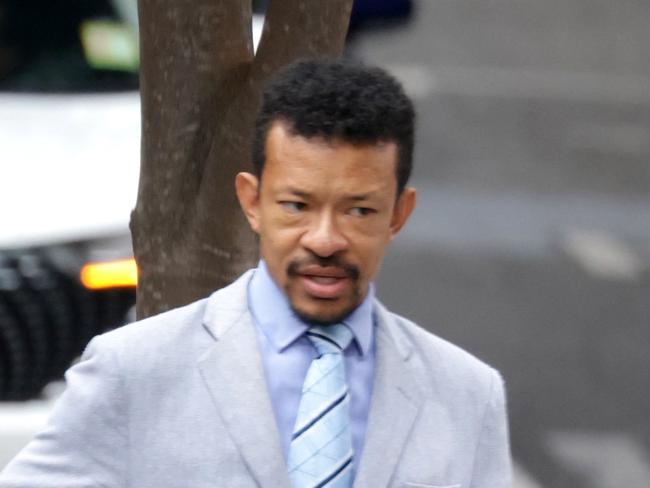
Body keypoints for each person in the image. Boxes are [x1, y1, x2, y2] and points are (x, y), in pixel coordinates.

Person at [0, 59, 511, 487]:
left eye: (360, 211)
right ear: (252, 201)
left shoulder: (468, 396)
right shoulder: (134, 372)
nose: (325, 239)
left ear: (399, 214)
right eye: (296, 206)